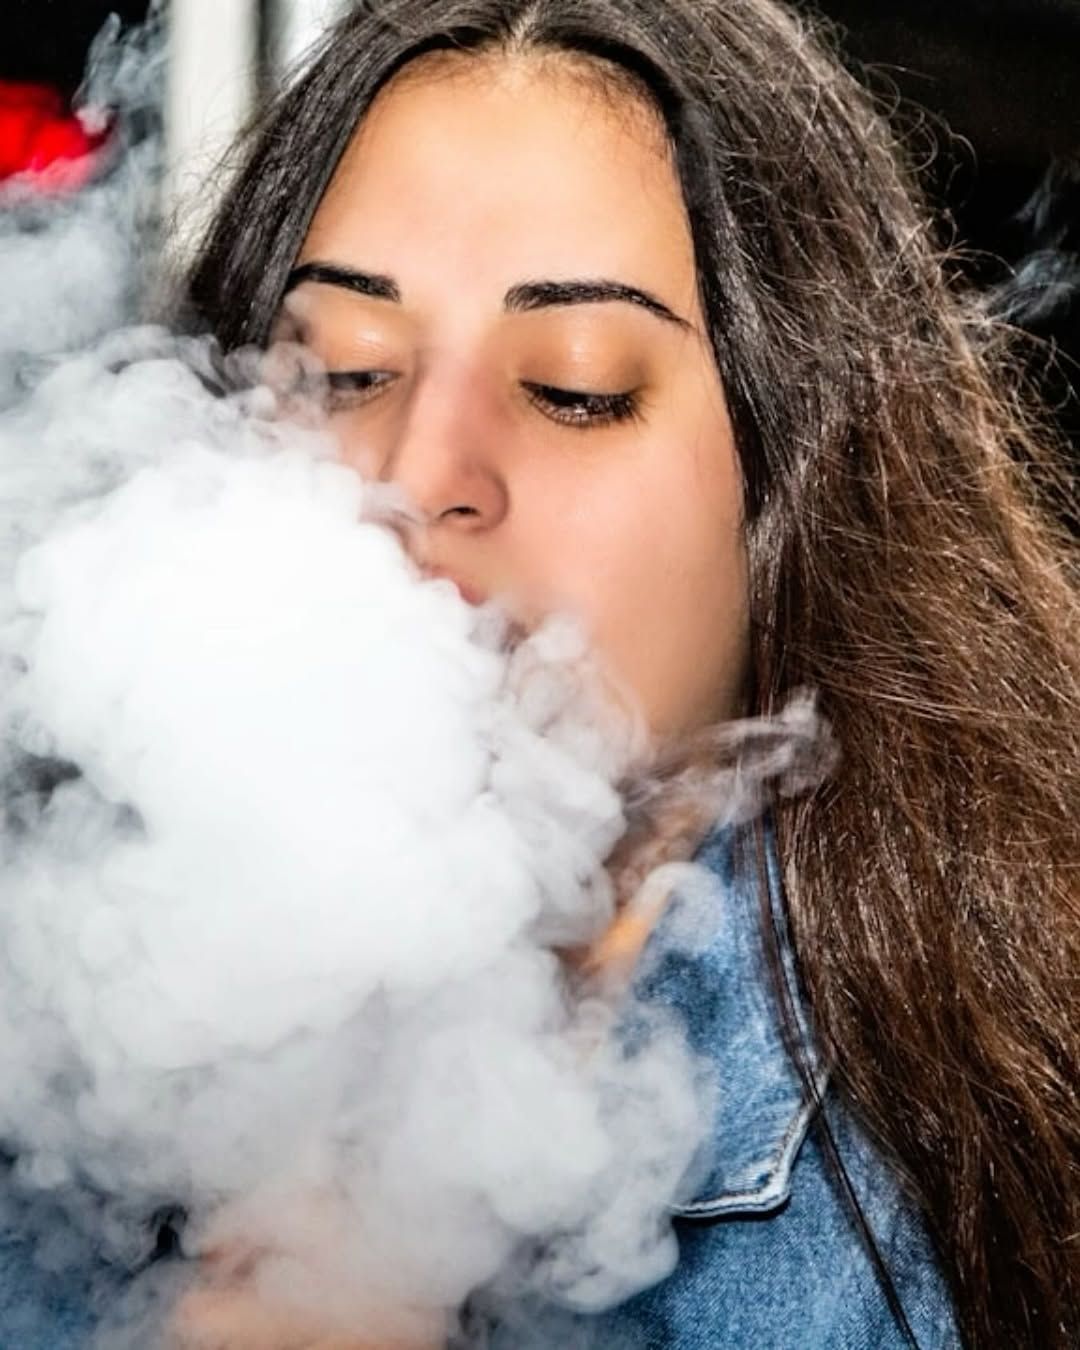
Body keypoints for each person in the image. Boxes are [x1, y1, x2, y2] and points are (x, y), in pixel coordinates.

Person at [2, 0, 1076, 1345]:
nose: (416, 475)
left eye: (574, 388)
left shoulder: (945, 1203)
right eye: (345, 370)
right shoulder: (59, 1065)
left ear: (795, 493)